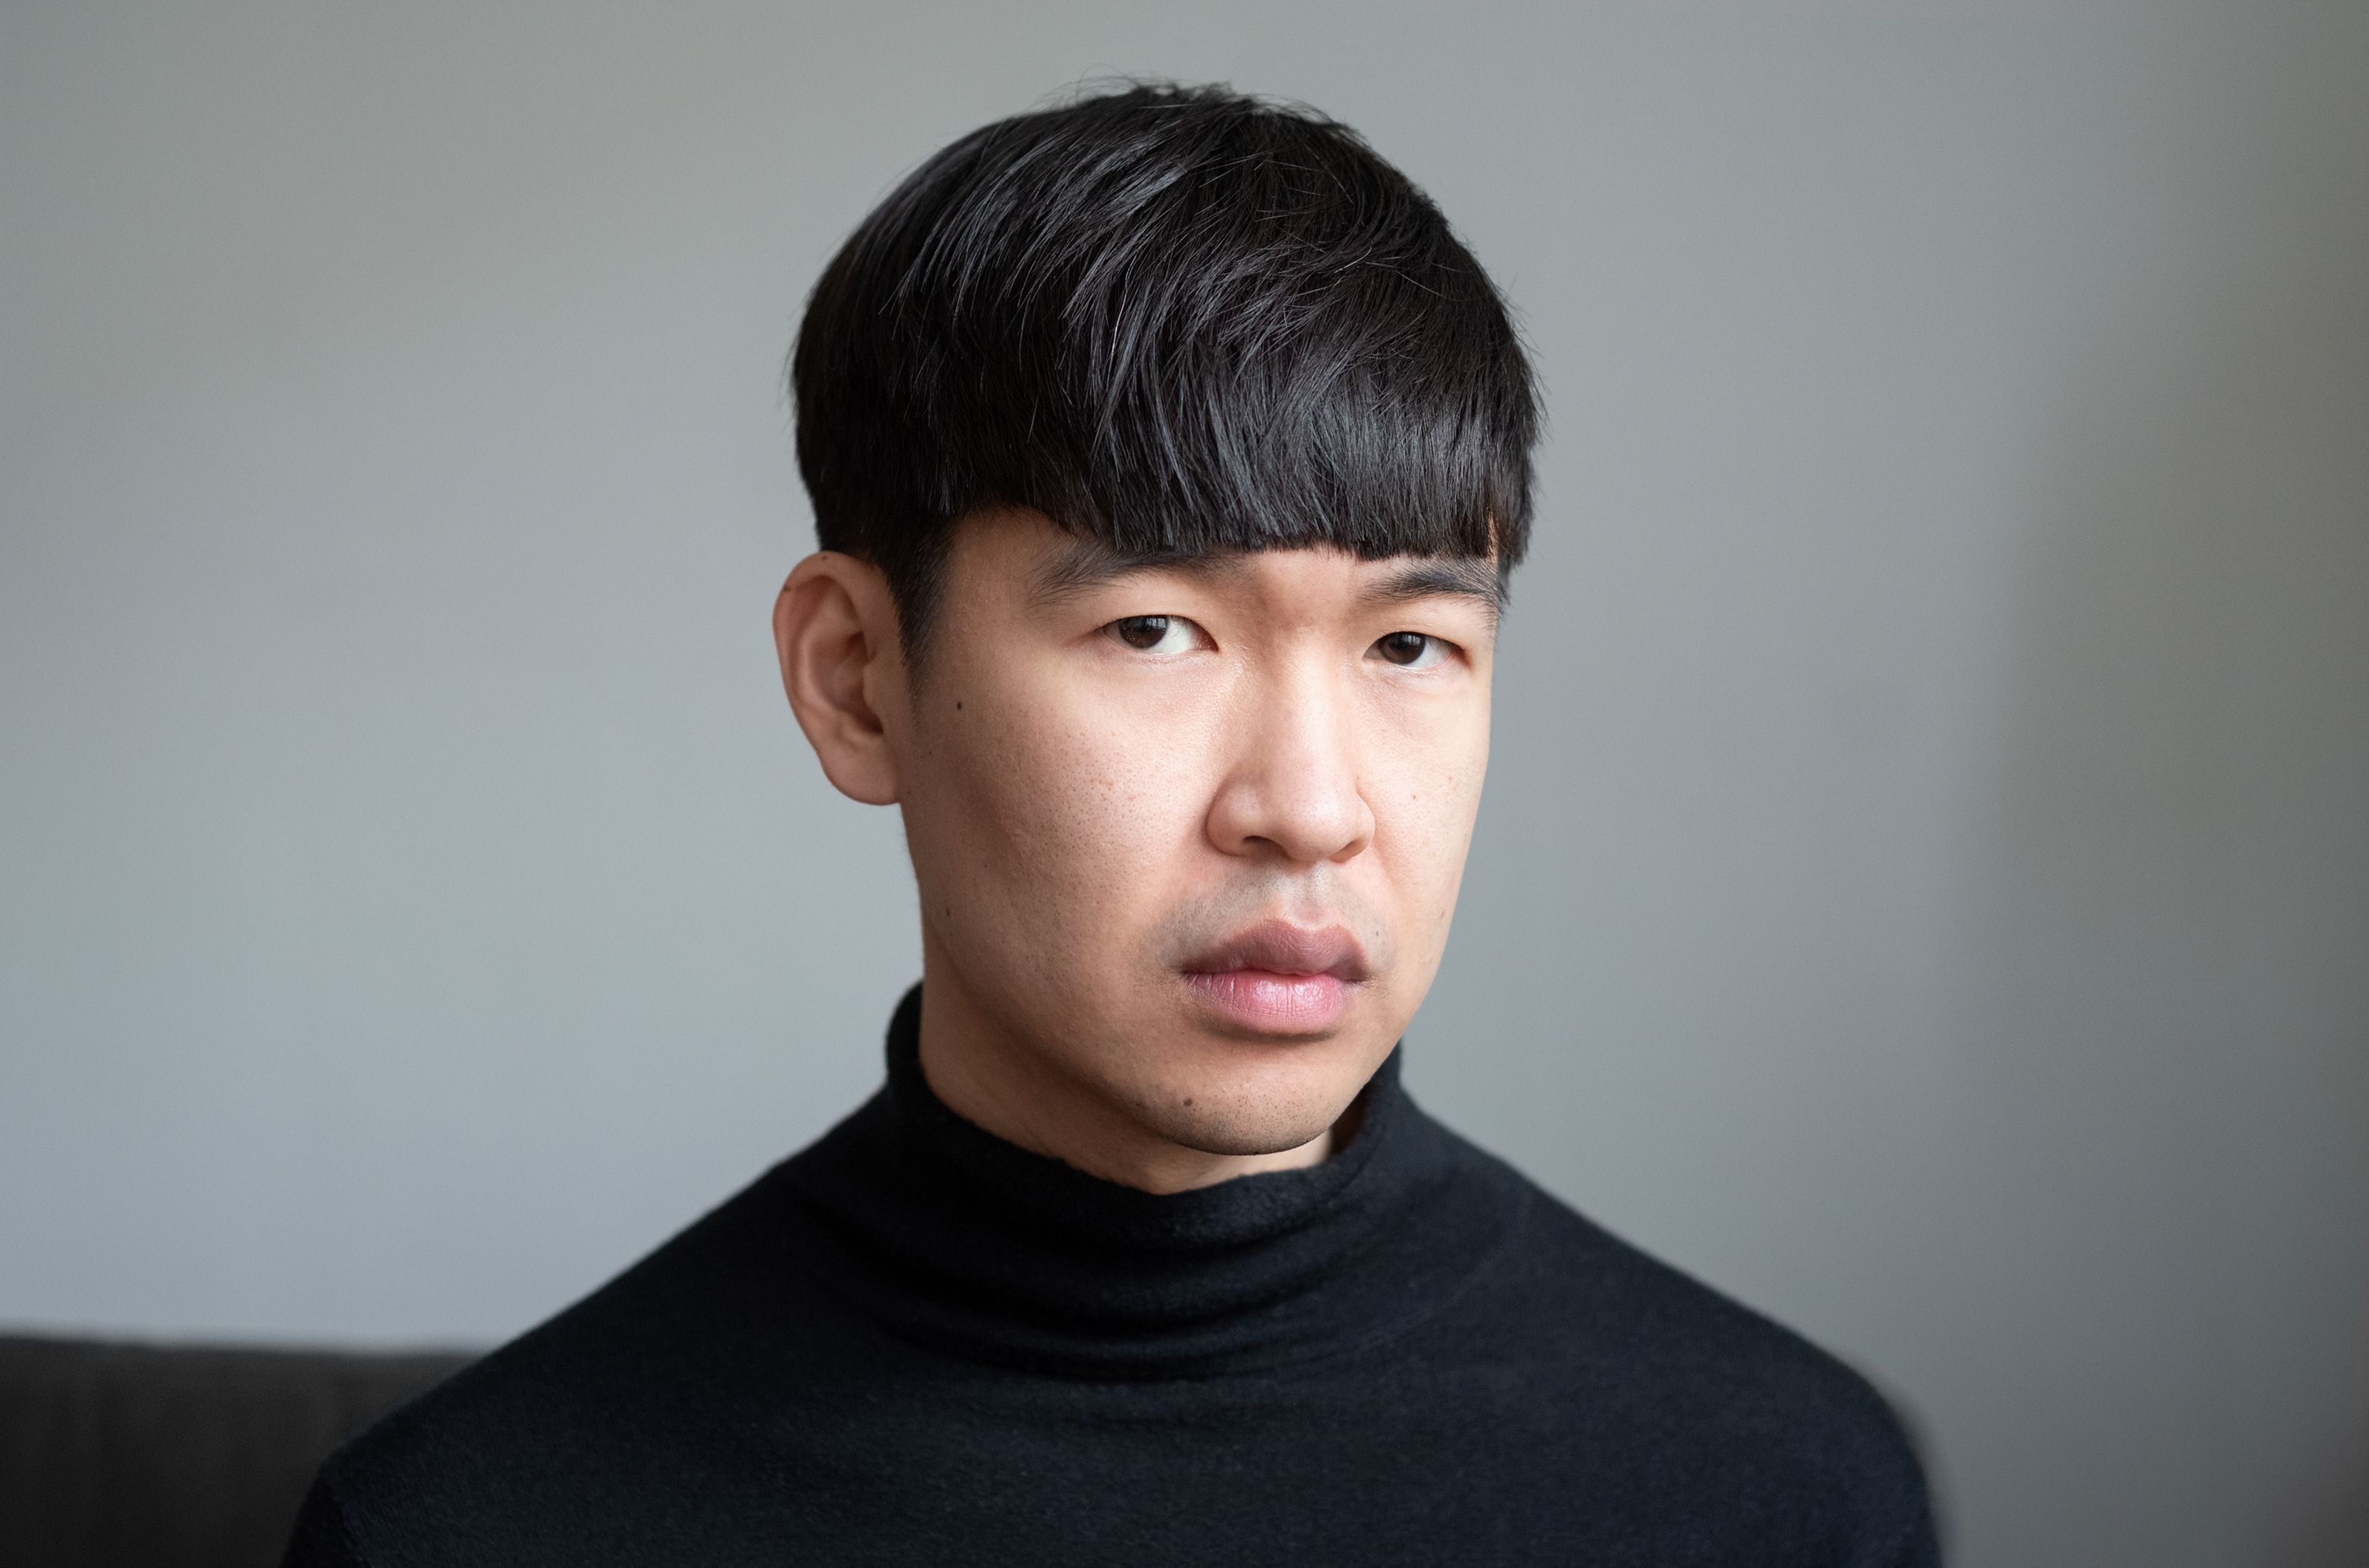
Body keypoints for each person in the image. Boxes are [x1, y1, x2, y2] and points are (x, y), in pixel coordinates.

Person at [283, 81, 1939, 1566]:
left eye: (1408, 645)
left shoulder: (1778, 1488)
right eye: (1156, 630)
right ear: (855, 679)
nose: (1310, 810)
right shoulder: (468, 1524)